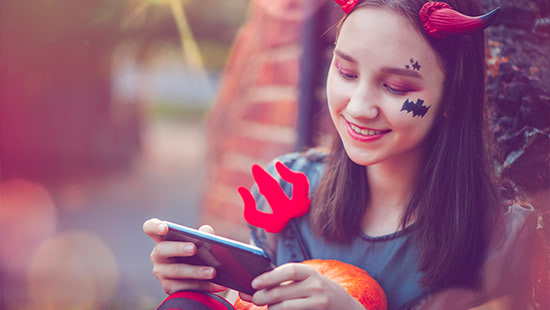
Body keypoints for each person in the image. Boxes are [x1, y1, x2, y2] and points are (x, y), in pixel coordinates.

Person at [143, 0, 537, 309]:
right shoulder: (289, 193)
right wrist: (212, 293)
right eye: (346, 73)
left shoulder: (502, 245)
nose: (359, 106)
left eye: (397, 86)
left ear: (454, 95)